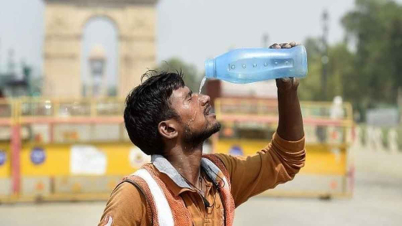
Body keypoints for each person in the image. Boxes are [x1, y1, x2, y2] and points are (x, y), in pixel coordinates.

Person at [99, 42, 306, 226]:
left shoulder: (221, 175)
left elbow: (285, 159)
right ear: (169, 129)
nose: (205, 98)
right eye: (189, 98)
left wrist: (287, 91)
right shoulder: (137, 195)